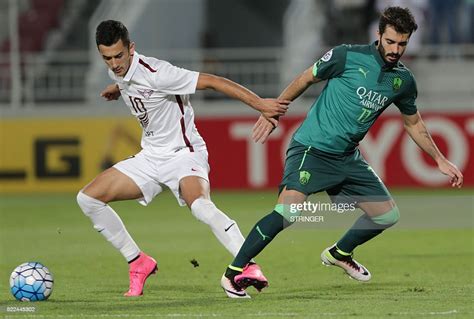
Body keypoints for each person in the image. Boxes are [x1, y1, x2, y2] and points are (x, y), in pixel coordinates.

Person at [220, 6, 464, 297]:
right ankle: (234, 272)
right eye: (390, 42)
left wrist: (439, 159)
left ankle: (340, 253)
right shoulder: (346, 56)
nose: (395, 49)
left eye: (402, 43)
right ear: (378, 35)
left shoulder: (403, 80)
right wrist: (274, 110)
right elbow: (306, 77)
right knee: (289, 211)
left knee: (386, 215)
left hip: (347, 158)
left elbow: (414, 123)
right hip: (313, 147)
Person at [76, 20, 289, 298]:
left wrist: (261, 105)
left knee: (200, 206)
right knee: (88, 199)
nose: (114, 64)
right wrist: (118, 88)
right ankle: (138, 261)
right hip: (150, 157)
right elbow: (131, 81)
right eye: (107, 58)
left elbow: (213, 81)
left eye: (119, 56)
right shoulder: (122, 73)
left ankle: (245, 265)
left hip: (183, 154)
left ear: (131, 48)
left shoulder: (160, 73)